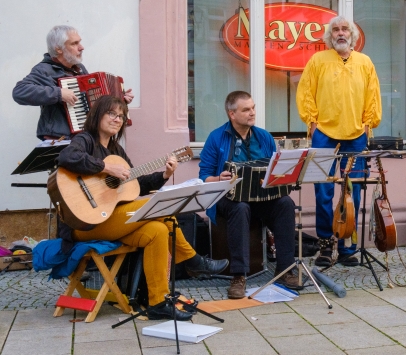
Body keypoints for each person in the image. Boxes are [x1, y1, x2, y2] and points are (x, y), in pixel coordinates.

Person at [56, 95, 228, 320]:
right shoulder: (86, 140)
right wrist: (106, 168)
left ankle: (158, 302)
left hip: (112, 219)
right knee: (161, 208)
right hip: (84, 224)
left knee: (157, 230)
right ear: (98, 114)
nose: (117, 119)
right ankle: (192, 260)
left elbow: (136, 186)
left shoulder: (117, 150)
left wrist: (165, 174)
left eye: (121, 116)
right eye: (112, 114)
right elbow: (67, 157)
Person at [296, 16, 382, 267]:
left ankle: (347, 246)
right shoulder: (318, 60)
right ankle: (325, 245)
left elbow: (373, 97)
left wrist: (367, 126)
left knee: (352, 192)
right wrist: (312, 123)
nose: (340, 33)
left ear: (352, 35)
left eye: (345, 29)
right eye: (336, 30)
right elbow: (305, 93)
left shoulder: (365, 62)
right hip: (323, 134)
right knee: (323, 191)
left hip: (356, 136)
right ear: (329, 35)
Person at [199, 90, 300, 299]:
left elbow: (275, 169)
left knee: (285, 204)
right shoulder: (216, 137)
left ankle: (285, 269)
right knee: (240, 207)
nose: (252, 113)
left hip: (262, 198)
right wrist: (220, 179)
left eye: (253, 108)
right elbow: (204, 178)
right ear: (231, 114)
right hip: (227, 199)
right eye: (246, 109)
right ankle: (239, 275)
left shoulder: (263, 136)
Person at [12, 25, 134, 140]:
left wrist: (120, 99)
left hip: (83, 137)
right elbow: (19, 92)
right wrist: (59, 93)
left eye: (79, 42)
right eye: (74, 43)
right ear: (58, 49)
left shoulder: (79, 68)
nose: (81, 47)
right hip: (60, 138)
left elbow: (94, 100)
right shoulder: (44, 70)